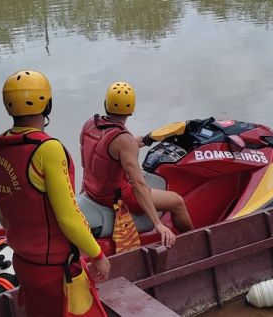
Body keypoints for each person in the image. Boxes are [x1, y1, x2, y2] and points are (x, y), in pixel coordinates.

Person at [0, 70, 109, 317]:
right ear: (47, 104)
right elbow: (68, 216)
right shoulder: (47, 149)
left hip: (23, 262)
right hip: (55, 270)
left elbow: (1, 212)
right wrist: (98, 254)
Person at [80, 81, 194, 248]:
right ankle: (194, 240)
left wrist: (144, 140)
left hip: (93, 190)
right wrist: (158, 224)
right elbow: (139, 184)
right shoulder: (123, 141)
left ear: (106, 104)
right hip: (116, 197)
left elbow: (99, 154)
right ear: (131, 110)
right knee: (176, 202)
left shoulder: (90, 124)